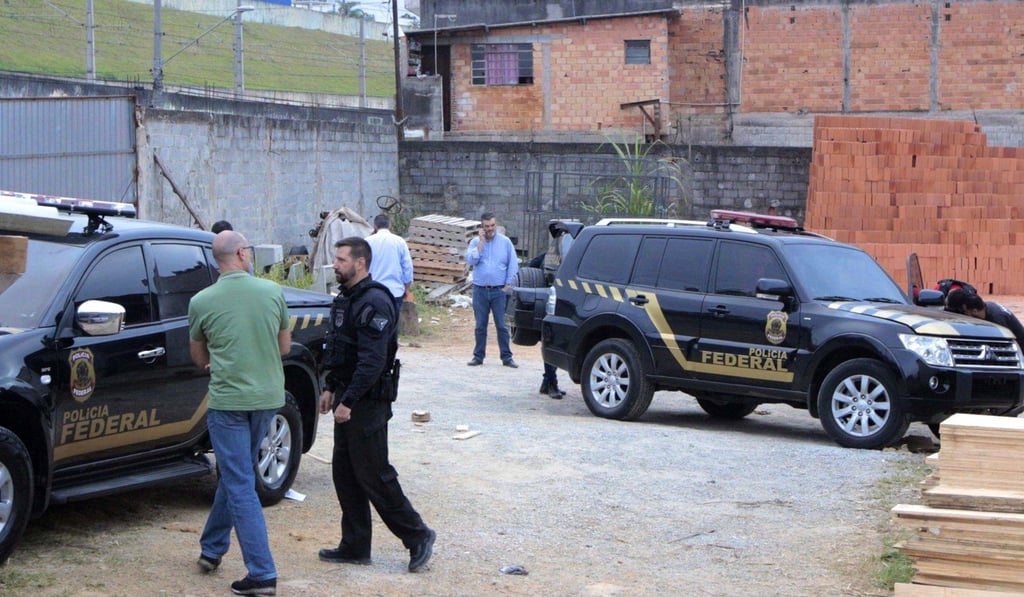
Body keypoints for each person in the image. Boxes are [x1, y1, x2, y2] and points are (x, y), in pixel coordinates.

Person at [318, 237, 435, 573]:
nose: (336, 265)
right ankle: (355, 545)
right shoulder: (346, 299)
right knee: (345, 473)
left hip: (367, 402)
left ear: (361, 263)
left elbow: (372, 362)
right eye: (336, 259)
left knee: (374, 474)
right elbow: (338, 349)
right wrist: (329, 388)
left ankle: (418, 535)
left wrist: (349, 401)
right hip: (347, 397)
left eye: (341, 260)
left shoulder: (374, 302)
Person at [188, 231, 290, 597]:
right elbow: (284, 346)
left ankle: (262, 574)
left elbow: (199, 358)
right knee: (238, 476)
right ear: (243, 254)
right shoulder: (272, 293)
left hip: (228, 401)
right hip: (266, 398)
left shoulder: (201, 301)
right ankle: (212, 549)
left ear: (218, 260)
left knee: (238, 481)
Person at [465, 212, 519, 368]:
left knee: (502, 325)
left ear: (496, 225)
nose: (490, 229)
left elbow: (513, 265)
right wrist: (481, 243)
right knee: (480, 325)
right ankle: (478, 356)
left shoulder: (505, 242)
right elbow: (471, 260)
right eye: (487, 226)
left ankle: (507, 357)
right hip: (480, 290)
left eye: (492, 225)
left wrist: (508, 285)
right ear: (482, 227)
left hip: (499, 291)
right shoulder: (475, 242)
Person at [366, 214, 414, 313]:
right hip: (395, 292)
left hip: (372, 291)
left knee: (372, 322)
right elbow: (407, 267)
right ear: (390, 225)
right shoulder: (399, 241)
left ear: (375, 226)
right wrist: (407, 288)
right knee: (393, 323)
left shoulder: (367, 242)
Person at [954, 291, 1024, 346]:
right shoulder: (988, 306)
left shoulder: (996, 319)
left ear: (974, 311)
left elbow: (1003, 342)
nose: (965, 314)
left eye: (966, 311)